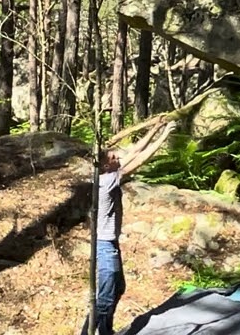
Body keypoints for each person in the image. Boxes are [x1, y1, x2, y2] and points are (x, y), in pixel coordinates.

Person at [82, 121, 176, 335]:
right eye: (114, 158)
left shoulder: (106, 174)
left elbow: (133, 151)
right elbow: (141, 159)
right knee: (105, 299)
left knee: (118, 289)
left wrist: (155, 128)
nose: (119, 158)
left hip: (108, 244)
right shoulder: (108, 181)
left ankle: (106, 331)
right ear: (106, 166)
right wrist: (163, 137)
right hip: (105, 246)